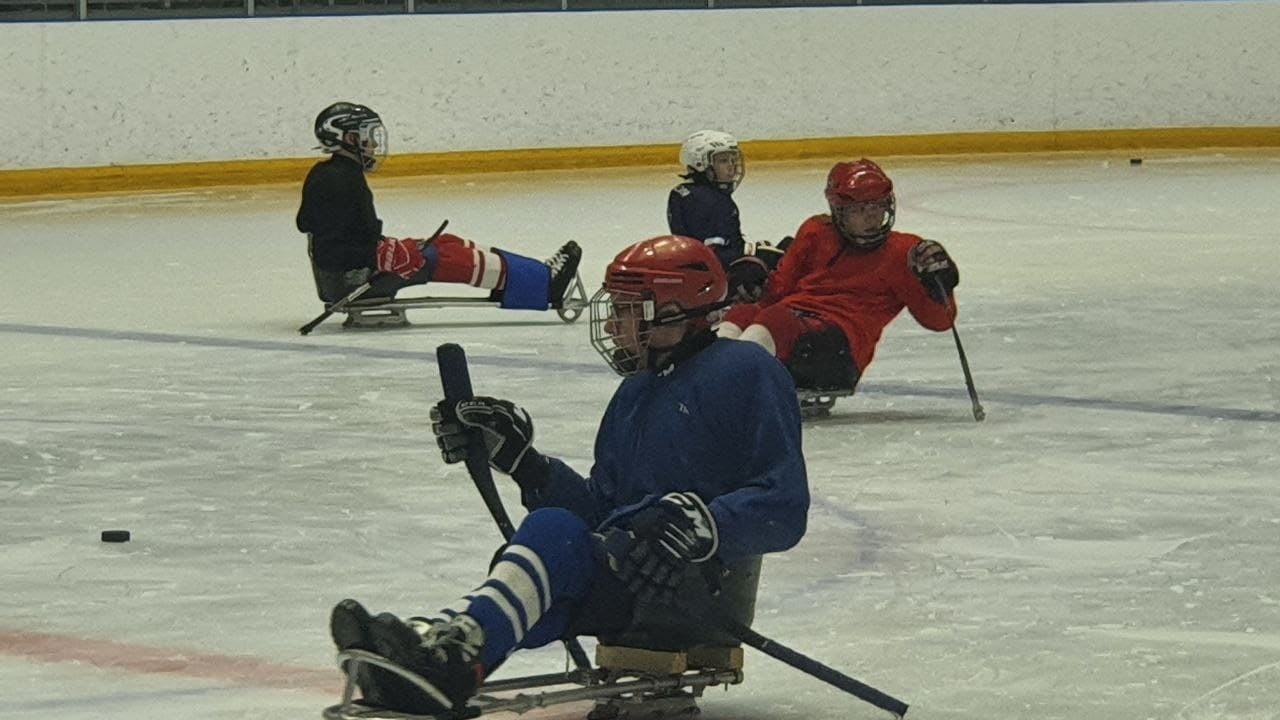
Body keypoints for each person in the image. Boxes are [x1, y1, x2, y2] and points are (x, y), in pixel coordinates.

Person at [329, 235, 809, 715]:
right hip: (632, 583)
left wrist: (703, 523)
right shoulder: (635, 392)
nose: (614, 324)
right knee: (548, 557)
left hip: (698, 593)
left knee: (553, 535)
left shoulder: (745, 370)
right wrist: (527, 466)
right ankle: (439, 653)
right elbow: (601, 513)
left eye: (625, 309)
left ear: (673, 312)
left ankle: (451, 655)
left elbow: (784, 505)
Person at [297, 102, 582, 310]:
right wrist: (377, 255)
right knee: (441, 257)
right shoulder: (339, 180)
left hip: (349, 273)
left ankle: (535, 273)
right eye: (366, 136)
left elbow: (311, 226)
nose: (372, 144)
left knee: (446, 242)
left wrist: (380, 250)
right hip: (351, 282)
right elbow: (331, 250)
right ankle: (544, 285)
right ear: (349, 138)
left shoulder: (330, 173)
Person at [717, 159, 961, 391]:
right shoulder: (816, 231)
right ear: (839, 211)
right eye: (860, 209)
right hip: (795, 324)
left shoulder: (905, 252)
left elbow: (940, 321)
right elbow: (777, 291)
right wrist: (756, 280)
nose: (872, 216)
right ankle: (711, 373)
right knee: (743, 312)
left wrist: (938, 288)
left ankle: (724, 384)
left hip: (840, 354)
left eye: (878, 206)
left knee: (777, 320)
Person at [666, 130, 784, 303]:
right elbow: (712, 257)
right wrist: (751, 252)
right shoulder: (711, 201)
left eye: (732, 159)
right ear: (701, 164)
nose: (732, 166)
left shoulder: (684, 192)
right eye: (723, 161)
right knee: (786, 255)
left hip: (700, 278)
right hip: (717, 286)